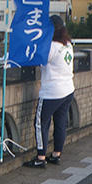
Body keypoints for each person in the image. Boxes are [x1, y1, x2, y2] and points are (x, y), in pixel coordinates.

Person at [24, 15, 75, 169]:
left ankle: (40, 157)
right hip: (68, 90)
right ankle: (56, 154)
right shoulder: (68, 45)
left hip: (52, 92)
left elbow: (37, 59)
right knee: (60, 122)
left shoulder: (51, 47)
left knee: (40, 123)